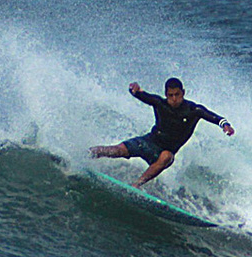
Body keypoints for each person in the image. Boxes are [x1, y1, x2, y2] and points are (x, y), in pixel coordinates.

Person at [89, 77, 235, 187]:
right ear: (166, 94)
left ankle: (137, 185)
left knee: (166, 156)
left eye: (177, 94)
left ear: (183, 93)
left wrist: (225, 125)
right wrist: (133, 89)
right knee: (117, 150)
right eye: (170, 95)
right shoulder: (160, 103)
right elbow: (141, 95)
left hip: (165, 153)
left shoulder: (193, 110)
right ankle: (86, 153)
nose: (174, 99)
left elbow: (215, 117)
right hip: (149, 141)